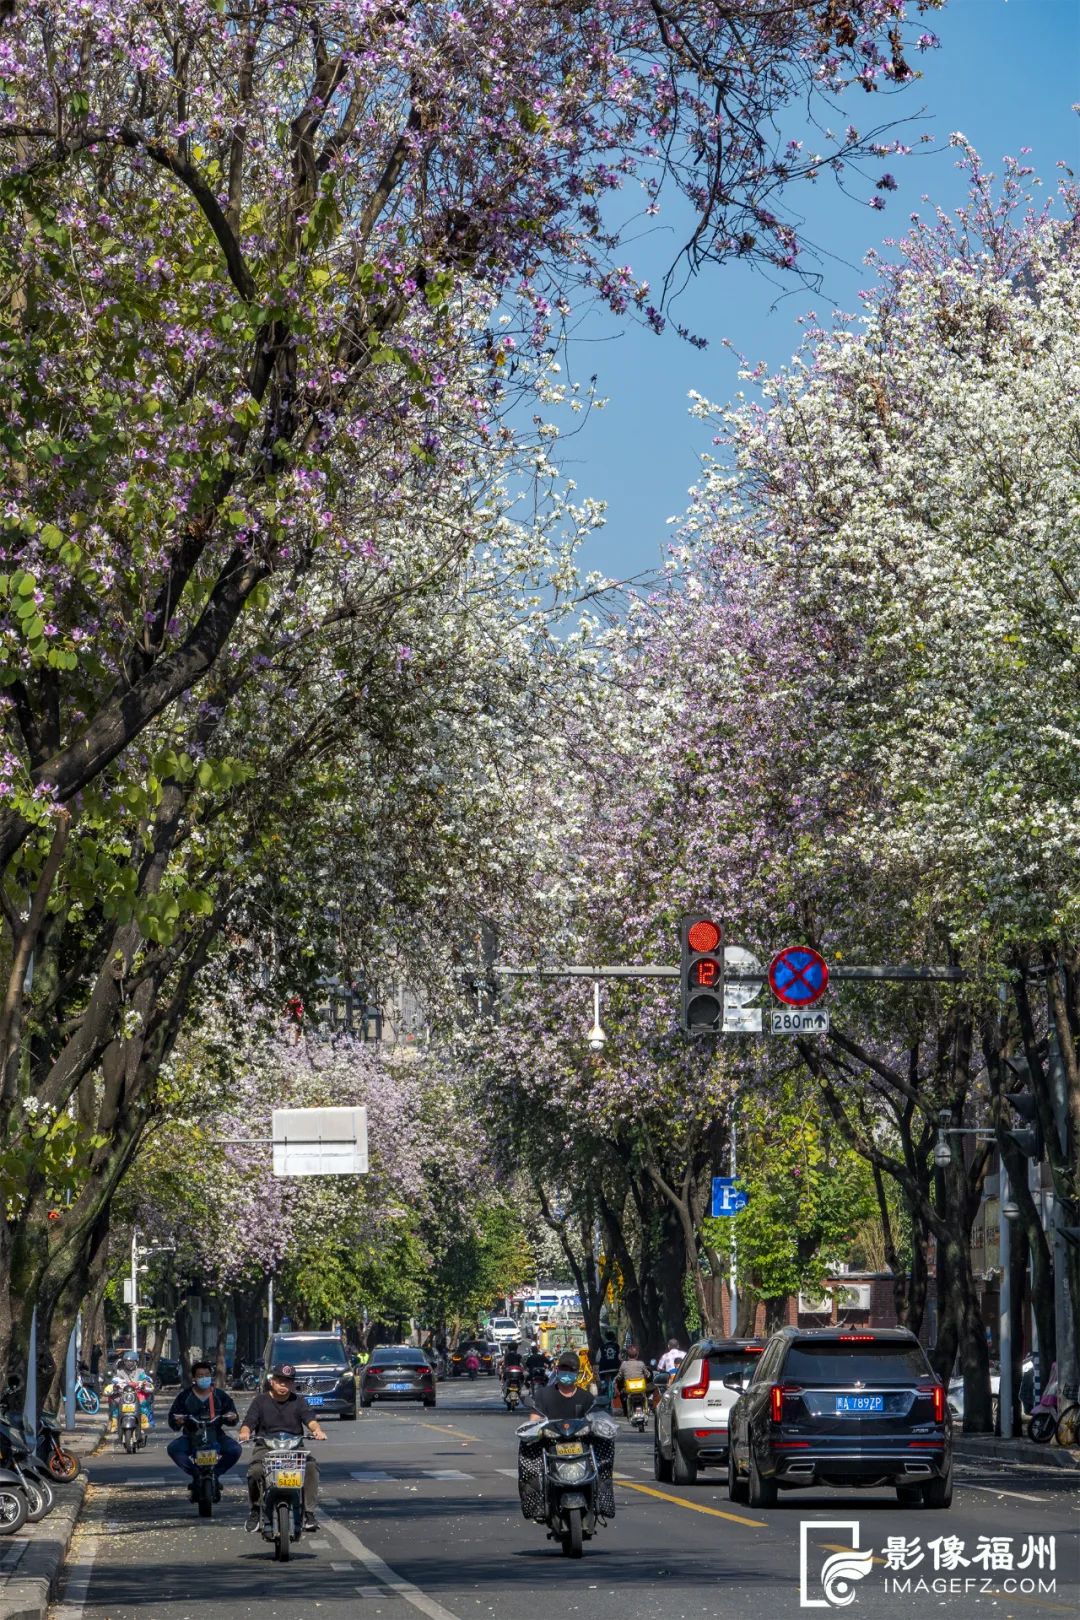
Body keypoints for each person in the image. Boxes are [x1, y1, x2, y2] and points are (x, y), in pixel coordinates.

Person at [239, 1363, 327, 1533]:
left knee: (310, 1466)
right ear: (272, 1381)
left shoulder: (298, 1401)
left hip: (294, 1447)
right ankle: (255, 1511)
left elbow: (310, 1419)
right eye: (280, 1381)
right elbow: (248, 1422)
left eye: (288, 1382)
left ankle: (309, 1514)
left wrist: (317, 1430)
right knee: (255, 1471)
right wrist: (245, 1432)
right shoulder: (260, 1401)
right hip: (266, 1446)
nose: (284, 1385)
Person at [166, 1360, 241, 1496]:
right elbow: (173, 1419)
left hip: (216, 1435)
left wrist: (231, 1417)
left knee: (234, 1450)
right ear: (194, 1378)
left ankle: (215, 1474)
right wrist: (179, 1420)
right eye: (200, 1376)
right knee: (174, 1449)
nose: (204, 1378)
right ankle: (195, 1473)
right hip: (191, 1436)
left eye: (207, 1375)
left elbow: (233, 1416)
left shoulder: (219, 1396)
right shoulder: (184, 1396)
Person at [528, 1350, 596, 1422]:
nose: (567, 1372)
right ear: (557, 1370)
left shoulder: (587, 1398)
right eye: (564, 1368)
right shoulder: (542, 1395)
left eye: (571, 1369)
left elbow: (594, 1421)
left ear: (577, 1372)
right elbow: (534, 1421)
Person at [107, 1350, 154, 1432]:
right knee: (113, 1400)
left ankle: (144, 1422)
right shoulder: (120, 1372)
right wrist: (116, 1384)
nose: (129, 1363)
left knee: (145, 1401)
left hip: (137, 1393)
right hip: (123, 1394)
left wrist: (144, 1382)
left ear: (136, 1362)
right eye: (126, 1361)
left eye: (131, 1361)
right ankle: (113, 1421)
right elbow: (114, 1379)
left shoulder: (141, 1371)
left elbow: (146, 1379)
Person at [615, 1344, 649, 1413]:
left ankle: (625, 1410)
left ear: (627, 1355)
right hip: (641, 1388)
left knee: (622, 1393)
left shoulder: (624, 1364)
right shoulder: (641, 1363)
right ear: (637, 1355)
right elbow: (648, 1375)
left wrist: (615, 1379)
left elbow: (619, 1377)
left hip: (628, 1389)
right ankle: (647, 1409)